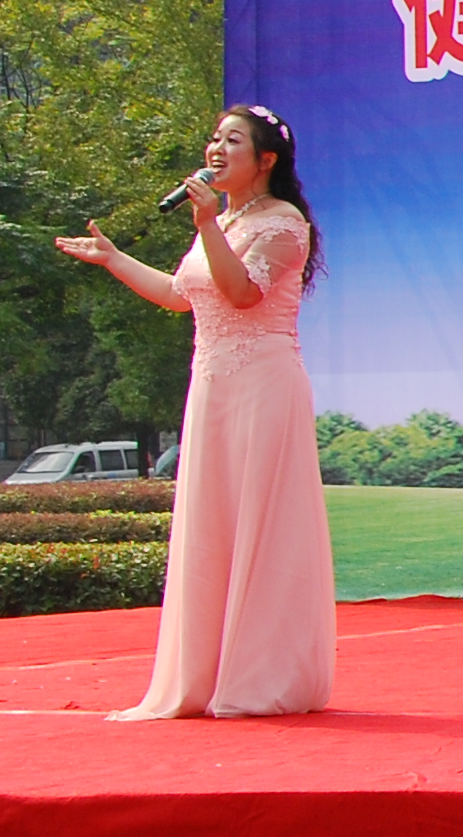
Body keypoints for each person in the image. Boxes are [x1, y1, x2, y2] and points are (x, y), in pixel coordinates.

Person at [54, 104, 335, 719]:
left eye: (232, 140)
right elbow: (179, 295)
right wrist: (114, 259)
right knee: (211, 524)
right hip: (211, 386)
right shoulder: (225, 220)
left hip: (264, 384)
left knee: (261, 521)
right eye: (214, 138)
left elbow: (242, 293)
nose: (216, 149)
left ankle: (260, 676)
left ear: (266, 160)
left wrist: (207, 222)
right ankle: (203, 676)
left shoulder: (283, 223)